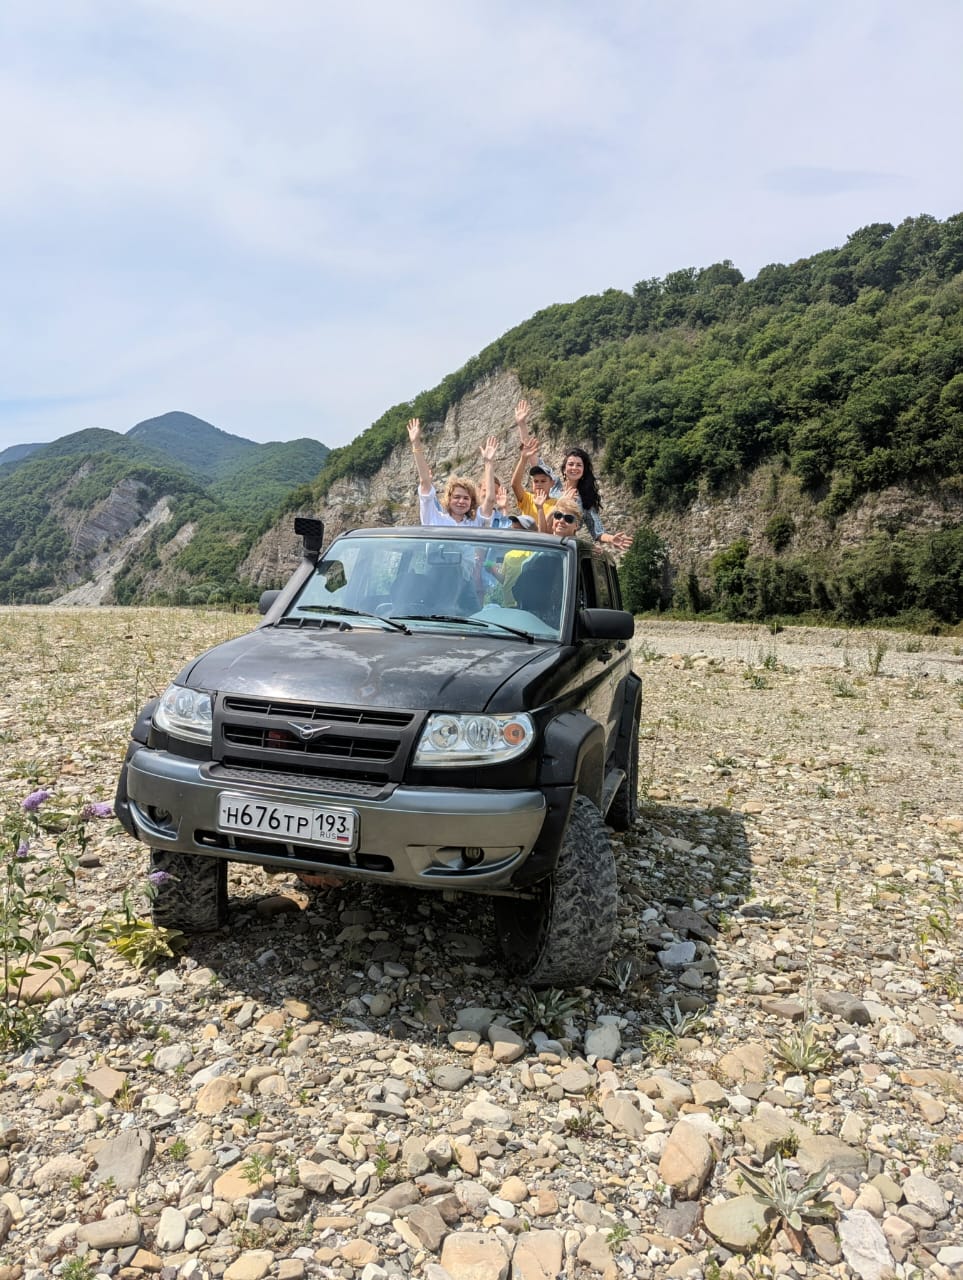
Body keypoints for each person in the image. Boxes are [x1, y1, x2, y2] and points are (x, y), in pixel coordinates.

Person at [407, 418, 497, 526]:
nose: (461, 501)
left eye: (466, 498)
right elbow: (424, 483)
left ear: (471, 502)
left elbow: (490, 499)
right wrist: (416, 444)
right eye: (457, 497)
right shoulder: (433, 518)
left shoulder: (476, 523)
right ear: (448, 498)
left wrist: (488, 463)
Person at [550, 447, 632, 551]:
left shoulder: (585, 499)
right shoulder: (553, 486)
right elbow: (534, 461)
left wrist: (611, 539)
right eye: (571, 464)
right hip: (539, 539)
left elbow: (597, 532)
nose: (574, 468)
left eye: (579, 465)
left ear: (584, 471)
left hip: (564, 548)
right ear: (564, 468)